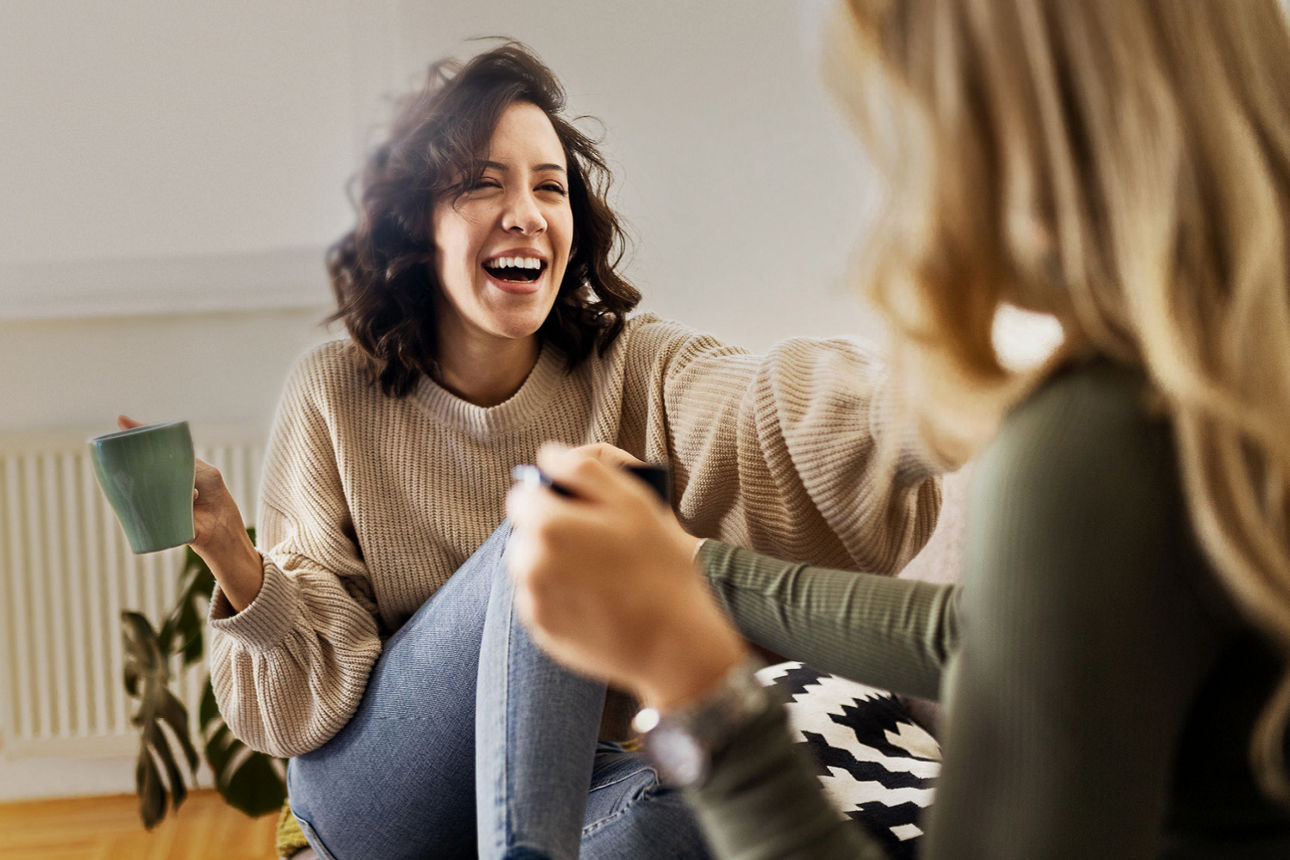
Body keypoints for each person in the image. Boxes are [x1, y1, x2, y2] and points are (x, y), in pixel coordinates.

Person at [505, 0, 1290, 856]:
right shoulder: (1232, 391)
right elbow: (986, 637)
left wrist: (692, 685)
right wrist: (699, 572)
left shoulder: (1097, 436)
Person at [141, 42, 941, 859]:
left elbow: (768, 409)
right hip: (374, 794)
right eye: (485, 183)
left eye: (549, 188)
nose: (526, 211)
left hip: (571, 782)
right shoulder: (335, 391)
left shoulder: (637, 365)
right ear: (419, 222)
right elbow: (303, 704)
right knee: (557, 510)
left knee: (725, 802)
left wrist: (941, 404)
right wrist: (232, 556)